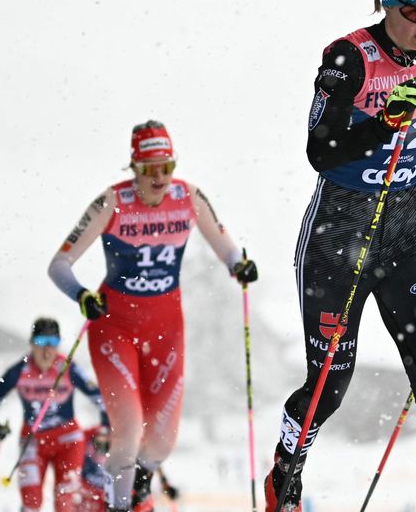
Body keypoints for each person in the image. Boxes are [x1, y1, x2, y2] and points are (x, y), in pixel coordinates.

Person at [264, 0, 416, 512]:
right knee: (329, 386)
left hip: (407, 232)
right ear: (386, 1)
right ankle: (286, 472)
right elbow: (321, 152)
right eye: (415, 11)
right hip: (338, 234)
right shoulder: (348, 58)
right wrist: (383, 122)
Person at [47, 120, 259, 512]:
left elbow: (227, 247)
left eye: (167, 167)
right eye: (149, 169)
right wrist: (81, 295)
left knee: (162, 441)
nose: (159, 177)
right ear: (134, 168)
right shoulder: (111, 202)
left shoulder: (189, 197)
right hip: (115, 326)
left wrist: (238, 265)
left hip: (166, 327)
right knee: (128, 431)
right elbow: (59, 265)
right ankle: (120, 505)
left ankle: (138, 485)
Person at [0, 317, 111, 512]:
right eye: (41, 342)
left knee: (65, 500)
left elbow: (101, 399)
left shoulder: (68, 368)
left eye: (53, 342)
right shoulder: (19, 370)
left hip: (68, 440)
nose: (47, 350)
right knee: (31, 500)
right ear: (31, 344)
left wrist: (104, 431)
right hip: (33, 441)